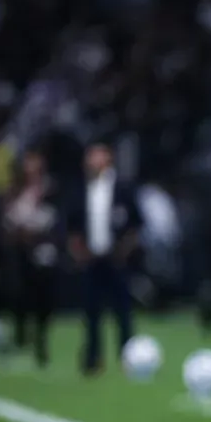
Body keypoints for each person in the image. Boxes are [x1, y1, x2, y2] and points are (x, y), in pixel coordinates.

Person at [67, 143, 143, 376]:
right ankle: (92, 360)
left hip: (116, 259)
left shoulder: (123, 188)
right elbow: (72, 225)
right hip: (92, 260)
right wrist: (79, 252)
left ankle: (128, 359)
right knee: (91, 312)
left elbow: (136, 223)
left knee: (123, 312)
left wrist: (124, 251)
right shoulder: (81, 189)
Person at [3, 149, 63, 366]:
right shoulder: (16, 190)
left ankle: (41, 340)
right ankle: (20, 336)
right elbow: (9, 220)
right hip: (21, 252)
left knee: (44, 299)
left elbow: (55, 219)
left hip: (44, 250)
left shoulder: (50, 189)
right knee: (20, 296)